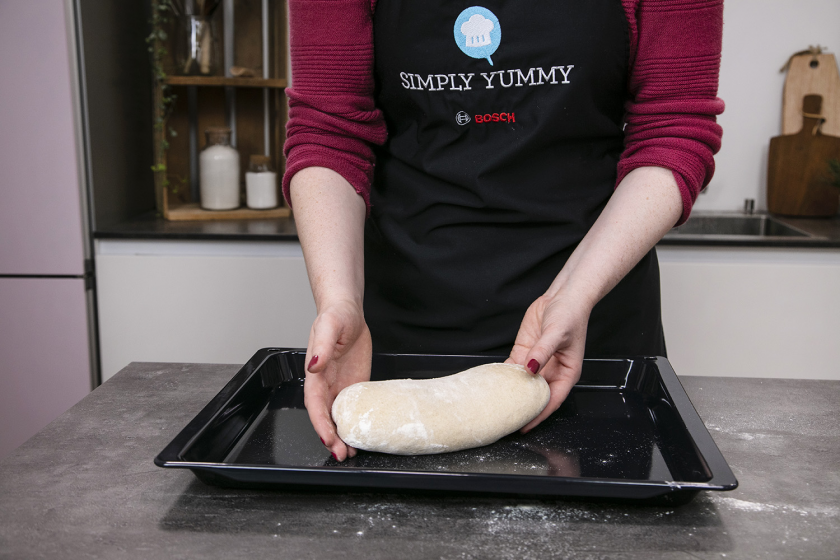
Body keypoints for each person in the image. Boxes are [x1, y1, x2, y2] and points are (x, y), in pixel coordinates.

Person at [283, 0, 724, 461]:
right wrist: (339, 299)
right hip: (402, 331)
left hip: (590, 324)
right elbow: (328, 131)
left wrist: (573, 295)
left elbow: (674, 128)